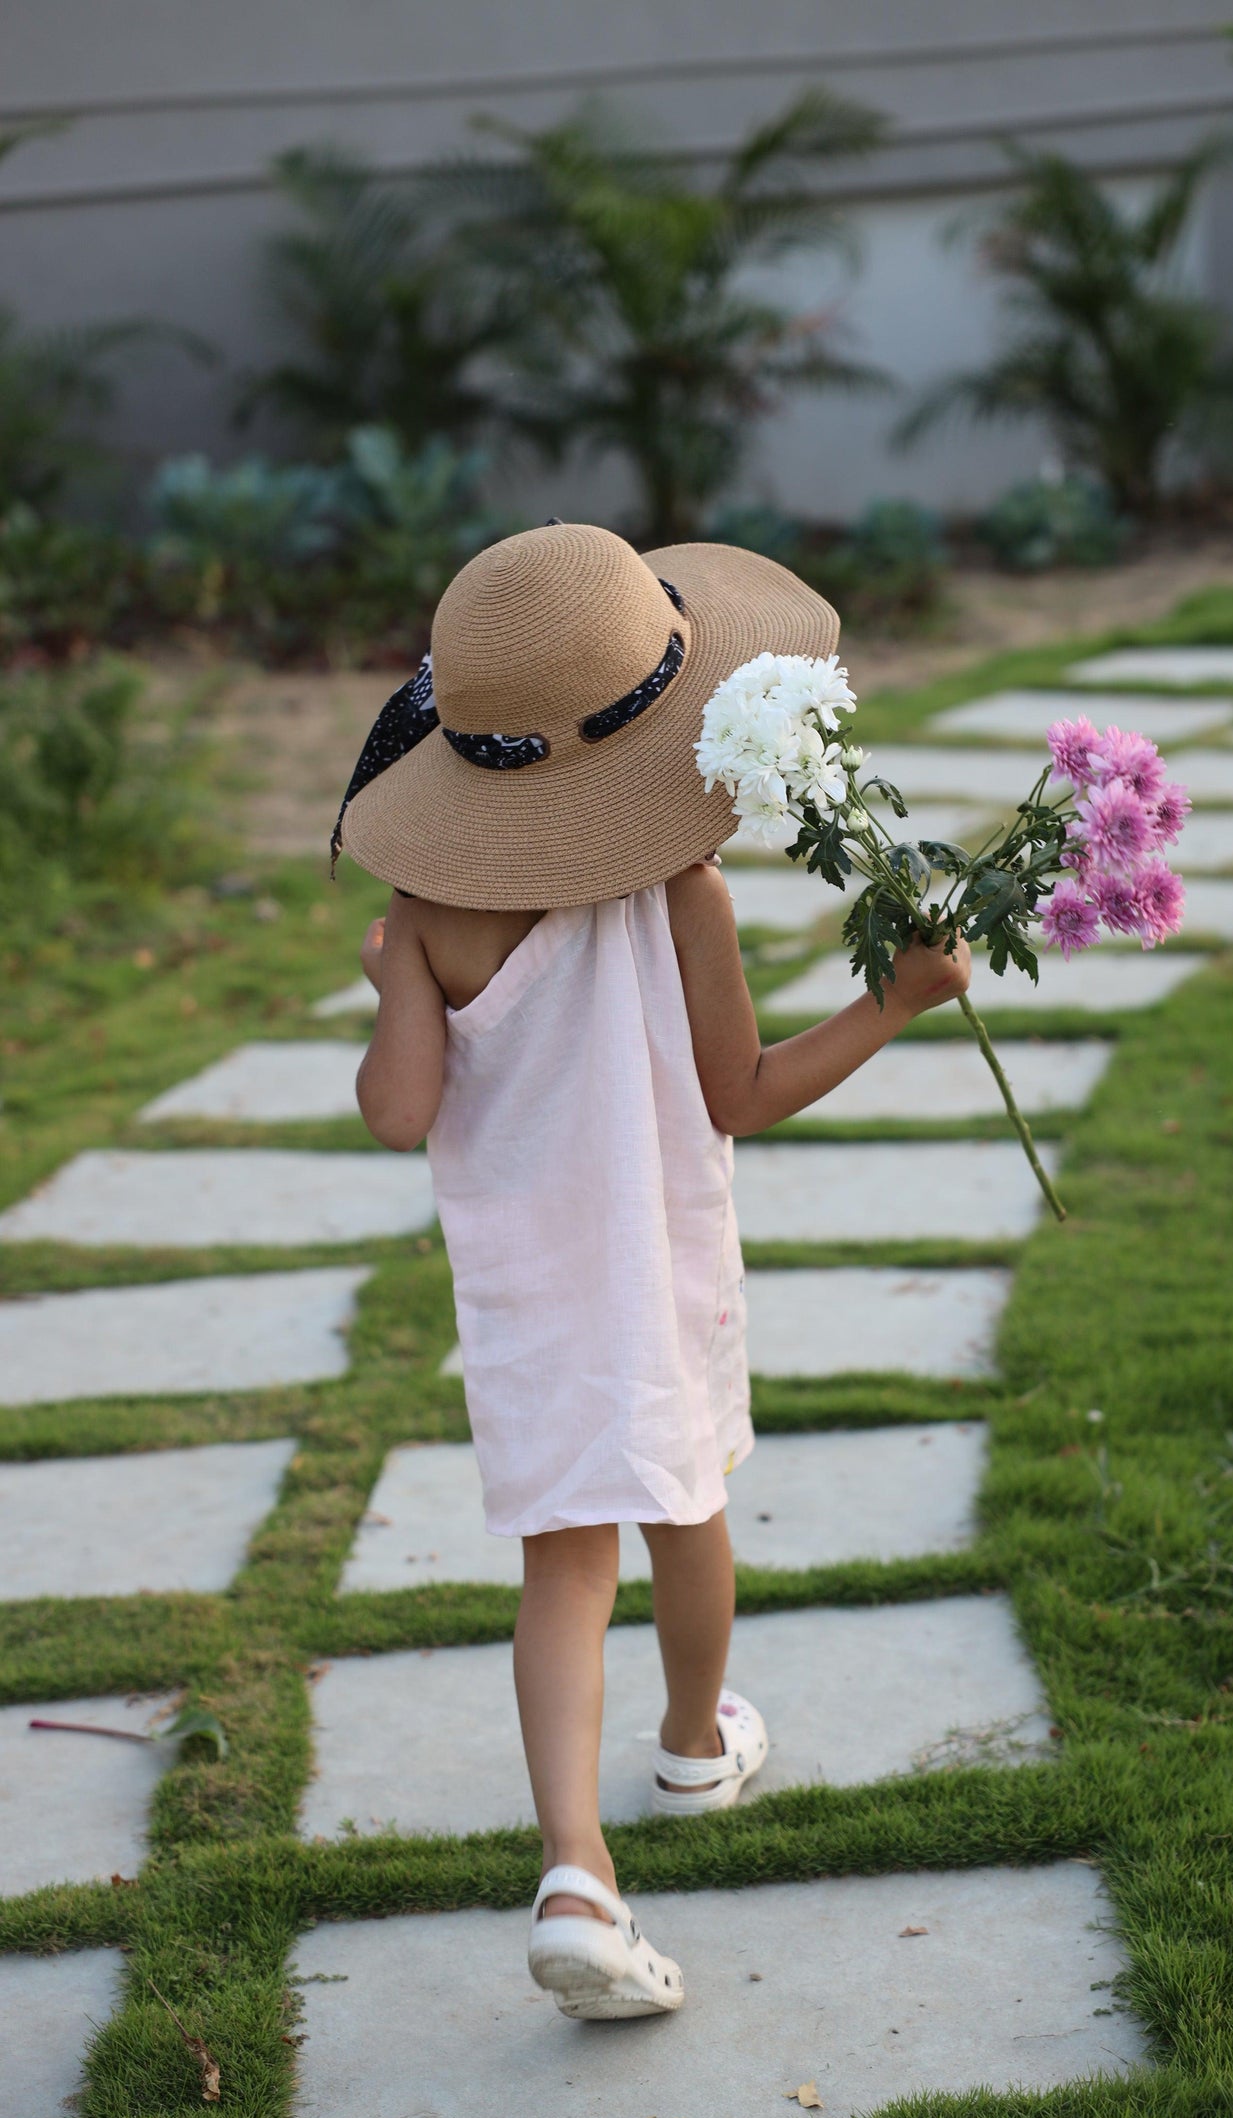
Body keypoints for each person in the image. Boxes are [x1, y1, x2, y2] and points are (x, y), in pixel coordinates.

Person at [334, 521, 971, 2021]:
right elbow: (739, 1089)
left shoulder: (436, 916)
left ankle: (574, 1872)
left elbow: (396, 1112)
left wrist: (390, 986)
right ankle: (695, 1734)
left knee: (564, 1562)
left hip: (531, 1298)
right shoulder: (687, 887)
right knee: (688, 1505)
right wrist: (888, 1006)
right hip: (660, 1268)